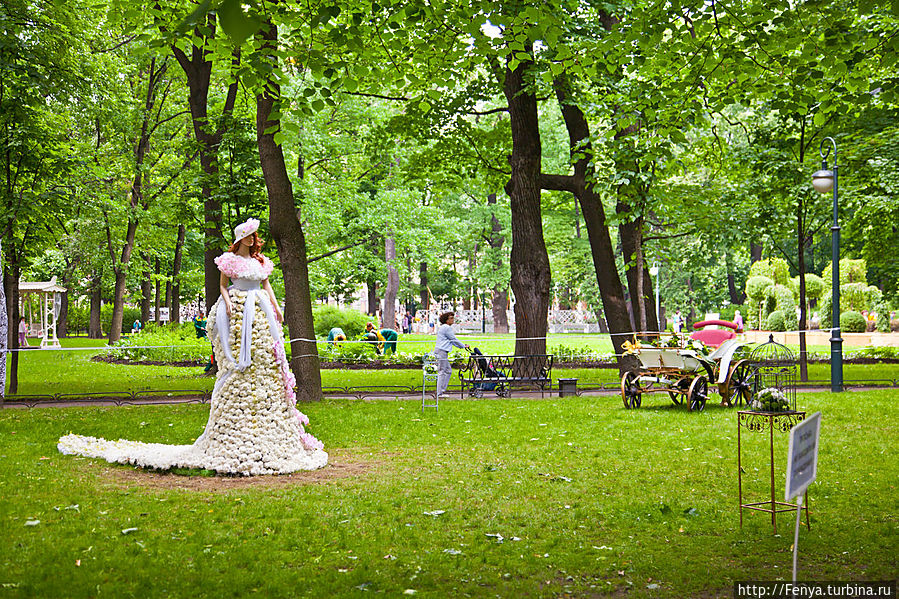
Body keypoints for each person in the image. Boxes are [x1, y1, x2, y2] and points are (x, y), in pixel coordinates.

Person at [58, 218, 328, 475]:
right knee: (238, 356)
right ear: (239, 239)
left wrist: (275, 306)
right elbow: (223, 287)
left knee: (265, 354)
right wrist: (230, 302)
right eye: (246, 236)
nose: (250, 240)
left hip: (259, 310)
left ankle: (270, 415)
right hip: (239, 308)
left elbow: (267, 285)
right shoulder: (229, 261)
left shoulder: (260, 261)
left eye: (251, 236)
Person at [434, 311, 469, 399]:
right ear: (446, 320)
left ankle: (442, 391)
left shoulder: (444, 327)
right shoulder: (446, 328)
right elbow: (453, 339)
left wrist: (461, 346)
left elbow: (452, 340)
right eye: (451, 318)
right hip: (442, 351)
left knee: (448, 371)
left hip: (442, 351)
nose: (453, 320)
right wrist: (463, 346)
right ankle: (439, 393)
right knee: (442, 371)